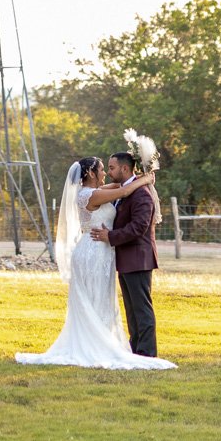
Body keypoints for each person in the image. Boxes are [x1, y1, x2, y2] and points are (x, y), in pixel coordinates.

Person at [15, 156, 176, 370]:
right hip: (93, 251)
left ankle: (108, 343)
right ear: (91, 173)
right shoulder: (91, 194)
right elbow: (123, 191)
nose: (106, 173)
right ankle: (97, 345)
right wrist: (145, 179)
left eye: (110, 168)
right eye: (103, 169)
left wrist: (141, 178)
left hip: (101, 251)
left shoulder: (94, 190)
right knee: (95, 299)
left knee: (100, 300)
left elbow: (121, 185)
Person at [89, 151, 160, 357]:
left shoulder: (141, 194)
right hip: (126, 259)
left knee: (141, 309)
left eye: (111, 168)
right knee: (131, 310)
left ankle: (147, 353)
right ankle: (136, 350)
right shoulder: (126, 190)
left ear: (125, 168)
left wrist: (110, 236)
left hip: (138, 259)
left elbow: (138, 227)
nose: (109, 172)